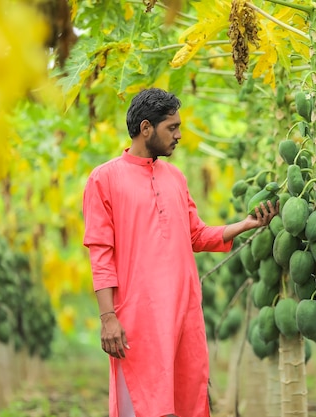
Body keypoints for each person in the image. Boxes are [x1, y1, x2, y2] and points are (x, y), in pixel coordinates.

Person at [82, 88, 278, 417]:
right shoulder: (104, 179)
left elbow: (197, 235)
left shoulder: (175, 177)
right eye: (172, 127)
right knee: (145, 406)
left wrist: (245, 224)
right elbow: (100, 254)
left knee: (186, 402)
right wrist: (108, 318)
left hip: (185, 314)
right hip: (138, 319)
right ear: (146, 128)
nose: (179, 135)